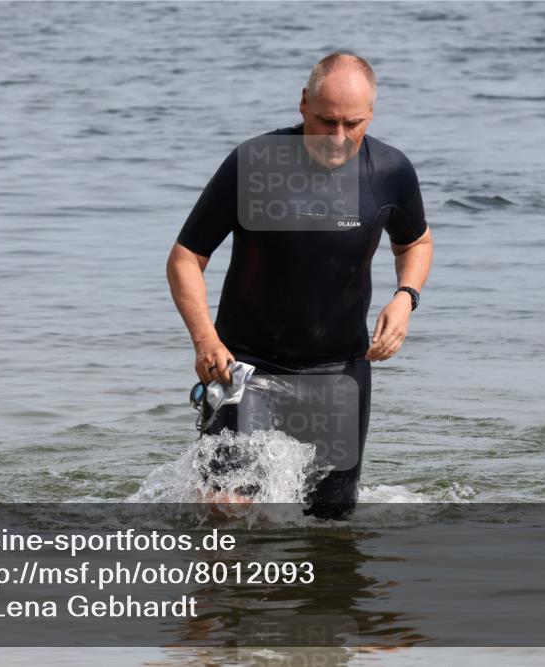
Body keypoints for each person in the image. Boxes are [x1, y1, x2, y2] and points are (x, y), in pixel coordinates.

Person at [166, 53, 433, 518]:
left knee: (330, 527)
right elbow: (186, 257)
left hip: (339, 373)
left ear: (371, 114)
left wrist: (405, 297)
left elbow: (416, 242)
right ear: (303, 103)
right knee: (225, 511)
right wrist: (205, 339)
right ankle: (223, 591)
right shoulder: (253, 163)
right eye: (326, 120)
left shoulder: (390, 171)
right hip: (246, 367)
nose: (337, 138)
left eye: (352, 124)